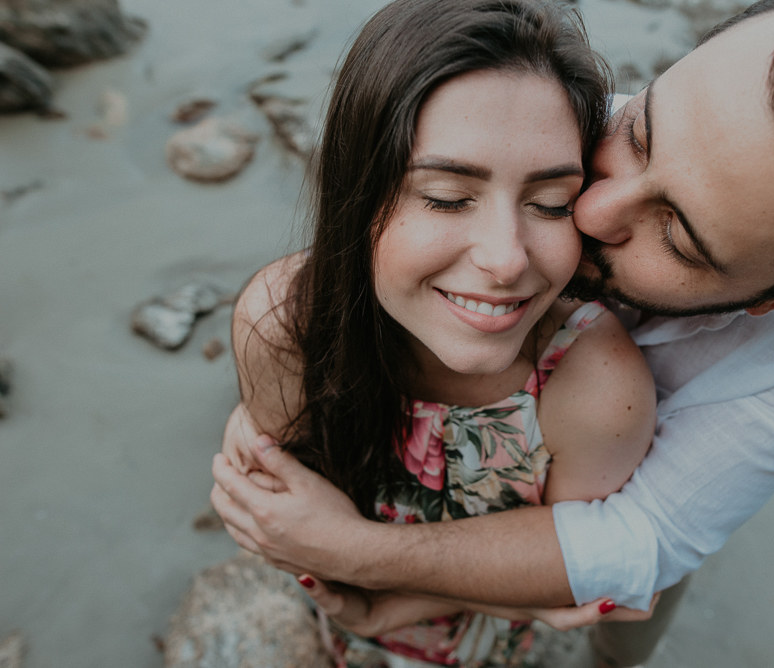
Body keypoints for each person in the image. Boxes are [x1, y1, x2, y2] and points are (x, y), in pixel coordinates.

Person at [212, 0, 774, 666]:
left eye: (681, 240)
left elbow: (643, 537)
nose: (591, 210)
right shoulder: (544, 117)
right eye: (641, 134)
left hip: (620, 486)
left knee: (626, 625)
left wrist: (363, 566)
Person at [219, 0, 661, 665]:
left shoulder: (596, 385)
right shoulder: (284, 325)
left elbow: (576, 579)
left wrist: (387, 593)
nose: (507, 258)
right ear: (358, 193)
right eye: (448, 197)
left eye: (550, 204)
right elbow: (283, 530)